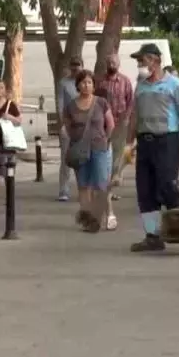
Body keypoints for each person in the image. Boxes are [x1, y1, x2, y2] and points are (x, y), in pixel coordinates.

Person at [125, 43, 179, 252]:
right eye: (138, 61)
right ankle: (153, 235)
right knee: (145, 190)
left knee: (167, 186)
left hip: (167, 141)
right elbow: (134, 116)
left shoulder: (174, 85)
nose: (139, 65)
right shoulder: (142, 86)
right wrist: (129, 143)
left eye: (142, 60)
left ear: (155, 60)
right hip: (145, 142)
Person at [63, 69, 115, 232]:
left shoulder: (101, 102)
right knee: (83, 185)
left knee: (101, 184)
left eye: (89, 82)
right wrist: (74, 141)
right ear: (78, 85)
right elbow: (67, 127)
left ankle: (109, 215)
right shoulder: (71, 106)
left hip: (99, 147)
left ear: (94, 85)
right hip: (80, 150)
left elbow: (111, 124)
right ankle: (90, 220)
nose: (86, 85)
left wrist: (106, 139)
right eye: (83, 82)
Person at [96, 55, 134, 223]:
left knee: (118, 156)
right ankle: (104, 187)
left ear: (119, 64)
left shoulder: (125, 81)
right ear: (106, 64)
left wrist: (127, 118)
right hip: (103, 124)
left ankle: (111, 186)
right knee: (105, 154)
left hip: (120, 123)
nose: (112, 64)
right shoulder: (100, 82)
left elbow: (131, 101)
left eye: (114, 62)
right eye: (109, 62)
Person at [57, 58, 82, 201]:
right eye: (73, 66)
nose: (75, 69)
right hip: (68, 124)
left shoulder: (86, 82)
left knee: (81, 159)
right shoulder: (64, 83)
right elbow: (60, 104)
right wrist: (63, 122)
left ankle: (82, 188)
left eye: (78, 66)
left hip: (83, 126)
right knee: (66, 159)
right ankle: (63, 190)